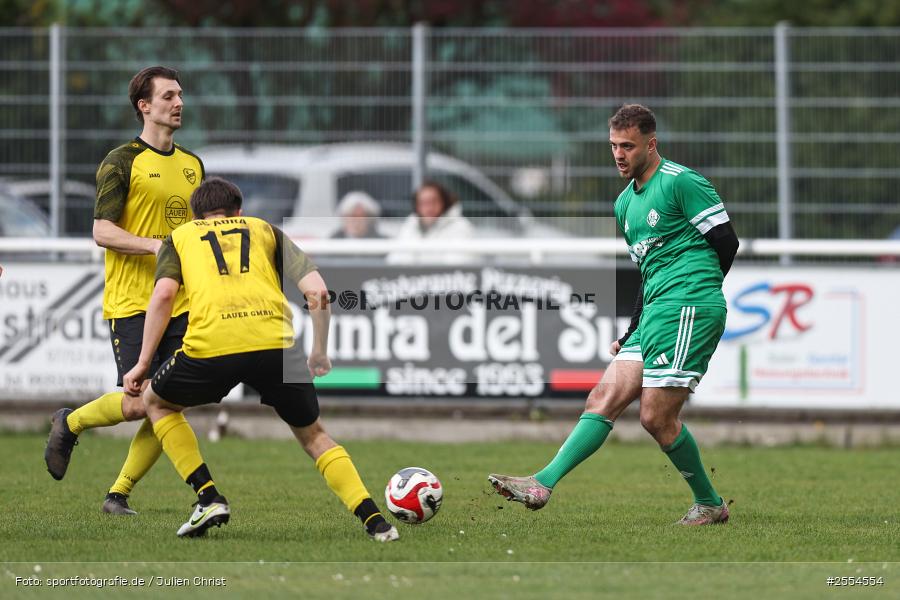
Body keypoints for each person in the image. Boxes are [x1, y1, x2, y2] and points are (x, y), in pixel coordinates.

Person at [488, 104, 739, 526]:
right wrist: (632, 329)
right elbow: (648, 270)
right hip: (656, 311)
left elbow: (726, 242)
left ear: (650, 144)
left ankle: (710, 504)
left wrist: (696, 290)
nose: (619, 154)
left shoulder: (682, 183)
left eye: (628, 146)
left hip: (688, 306)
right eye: (613, 146)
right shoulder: (624, 204)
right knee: (602, 397)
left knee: (655, 417)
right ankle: (541, 484)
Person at [121, 177, 398, 542]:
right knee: (315, 436)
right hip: (276, 346)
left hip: (212, 345)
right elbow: (317, 292)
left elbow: (163, 297)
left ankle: (208, 496)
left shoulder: (182, 236)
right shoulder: (264, 229)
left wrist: (142, 363)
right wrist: (318, 350)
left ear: (196, 216)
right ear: (239, 212)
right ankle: (376, 522)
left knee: (157, 402)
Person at [44, 66, 204, 516]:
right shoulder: (121, 161)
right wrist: (158, 246)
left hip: (183, 301)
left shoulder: (193, 165)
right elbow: (102, 231)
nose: (179, 103)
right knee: (140, 404)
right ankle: (70, 422)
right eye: (169, 96)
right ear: (144, 106)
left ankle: (119, 495)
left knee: (169, 399)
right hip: (133, 302)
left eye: (181, 95)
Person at [389, 181, 474, 264]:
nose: (429, 208)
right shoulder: (410, 225)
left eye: (433, 201)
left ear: (444, 202)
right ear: (417, 206)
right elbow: (396, 260)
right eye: (423, 203)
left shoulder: (460, 227)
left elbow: (458, 267)